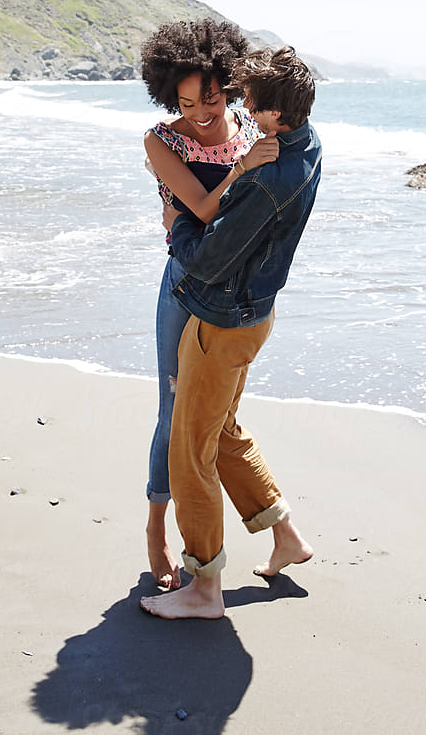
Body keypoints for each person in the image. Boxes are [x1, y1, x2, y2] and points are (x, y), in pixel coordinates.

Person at [140, 45, 322, 620]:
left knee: (190, 447)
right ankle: (283, 532)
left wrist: (176, 231)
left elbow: (207, 257)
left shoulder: (265, 173)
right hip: (256, 311)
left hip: (219, 313)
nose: (231, 106)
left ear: (270, 113)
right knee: (220, 428)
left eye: (239, 97)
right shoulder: (306, 142)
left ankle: (203, 588)